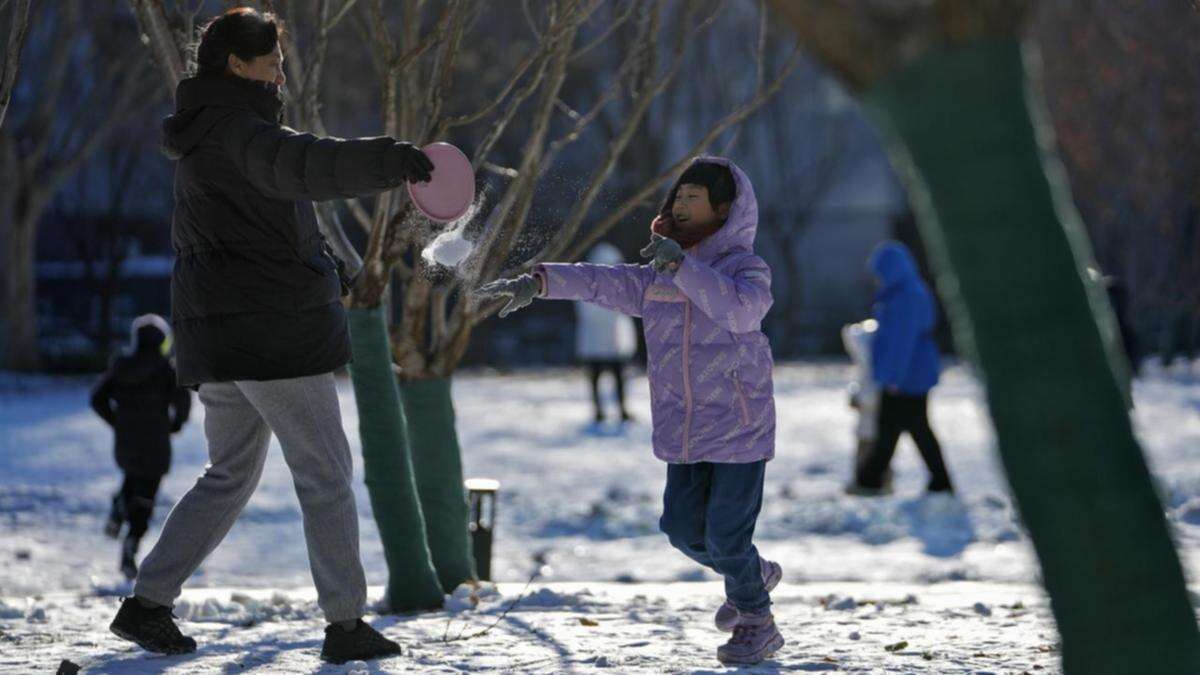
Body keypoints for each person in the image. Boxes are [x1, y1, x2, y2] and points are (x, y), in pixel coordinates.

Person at [107, 8, 434, 665]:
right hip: (269, 335)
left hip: (227, 336)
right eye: (272, 61)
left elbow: (265, 221)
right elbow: (309, 164)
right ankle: (345, 622)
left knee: (228, 474)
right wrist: (393, 160)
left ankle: (147, 602)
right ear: (236, 64)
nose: (282, 72)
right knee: (326, 472)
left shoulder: (210, 131)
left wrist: (327, 267)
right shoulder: (241, 132)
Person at [481, 158, 784, 666]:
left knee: (728, 536)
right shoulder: (655, 278)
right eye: (678, 196)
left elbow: (739, 311)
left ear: (725, 209)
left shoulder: (745, 268)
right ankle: (749, 573)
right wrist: (538, 281)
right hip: (684, 429)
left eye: (694, 197)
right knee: (682, 531)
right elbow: (600, 281)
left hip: (738, 426)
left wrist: (682, 267)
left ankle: (757, 620)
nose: (681, 204)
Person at [848, 241, 953, 495]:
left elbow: (901, 341)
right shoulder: (906, 292)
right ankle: (937, 480)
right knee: (910, 428)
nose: (877, 279)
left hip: (907, 375)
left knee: (895, 427)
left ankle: (870, 480)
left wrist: (893, 376)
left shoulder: (906, 296)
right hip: (911, 373)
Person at [91, 315, 191, 581]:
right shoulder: (166, 371)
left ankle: (119, 507)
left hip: (126, 442)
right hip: (156, 442)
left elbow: (97, 398)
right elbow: (183, 404)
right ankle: (131, 545)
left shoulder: (121, 366)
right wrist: (175, 425)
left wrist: (117, 421)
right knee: (145, 495)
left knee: (132, 478)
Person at [576, 243, 638, 425]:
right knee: (602, 378)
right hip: (601, 342)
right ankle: (600, 411)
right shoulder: (589, 284)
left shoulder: (590, 283)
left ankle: (618, 410)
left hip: (611, 342)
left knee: (616, 378)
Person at [841, 319, 892, 492]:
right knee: (868, 448)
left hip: (872, 415)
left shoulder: (871, 360)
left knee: (875, 450)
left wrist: (860, 399)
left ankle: (874, 482)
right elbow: (860, 381)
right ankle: (865, 480)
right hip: (867, 416)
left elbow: (869, 387)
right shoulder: (867, 362)